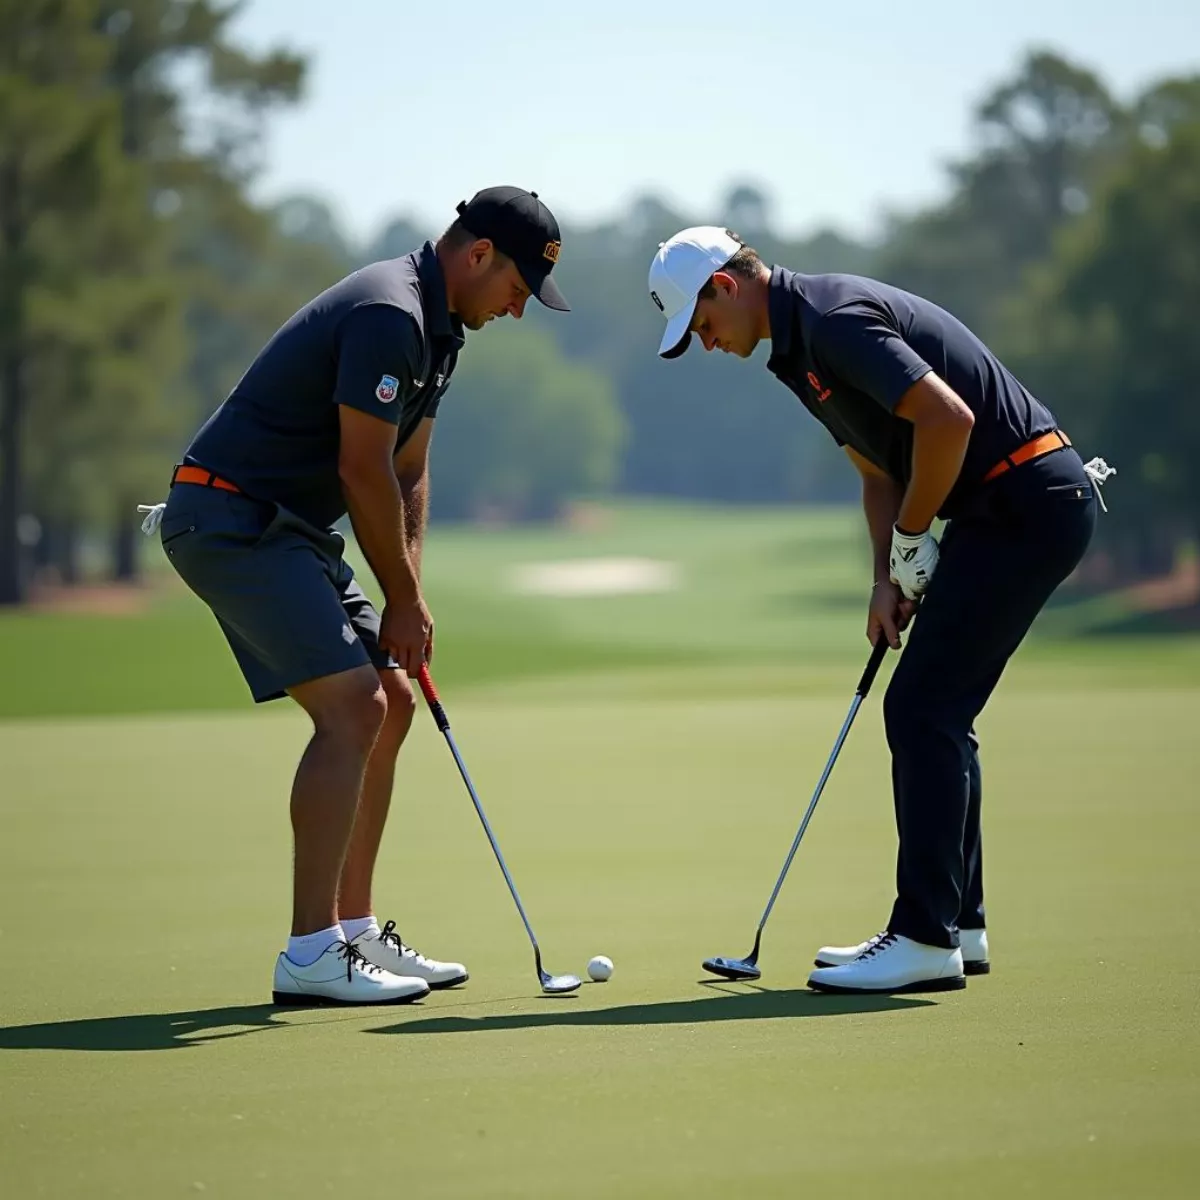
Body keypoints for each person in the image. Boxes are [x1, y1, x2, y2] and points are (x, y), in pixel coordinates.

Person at [646, 226, 1114, 995]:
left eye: (700, 326)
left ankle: (924, 938)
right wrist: (885, 577)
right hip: (1003, 509)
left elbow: (948, 421)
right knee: (940, 708)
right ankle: (959, 925)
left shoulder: (834, 322)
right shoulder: (794, 353)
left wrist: (914, 536)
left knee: (923, 708)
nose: (706, 344)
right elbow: (877, 471)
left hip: (1028, 498)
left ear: (724, 288)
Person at [139, 187, 570, 1006]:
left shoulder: (441, 335)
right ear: (478, 255)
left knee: (394, 700)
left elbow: (407, 470)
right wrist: (400, 601)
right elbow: (360, 468)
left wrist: (408, 590)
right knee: (353, 708)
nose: (518, 311)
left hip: (287, 529)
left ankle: (354, 932)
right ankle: (310, 953)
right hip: (229, 517)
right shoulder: (390, 315)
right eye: (518, 291)